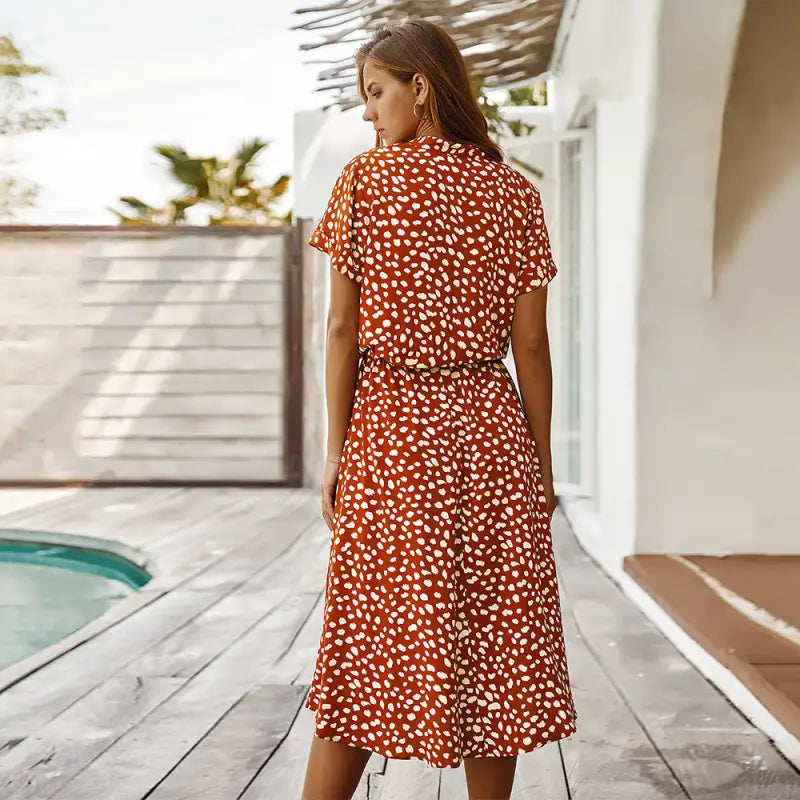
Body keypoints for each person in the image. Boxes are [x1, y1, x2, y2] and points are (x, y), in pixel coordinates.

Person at [301, 18, 577, 800]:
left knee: (368, 641)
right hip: (492, 432)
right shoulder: (514, 191)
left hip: (392, 433)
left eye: (376, 92)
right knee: (500, 647)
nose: (368, 113)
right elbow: (531, 343)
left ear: (421, 89)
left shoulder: (366, 181)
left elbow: (342, 329)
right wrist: (542, 463)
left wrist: (335, 450)